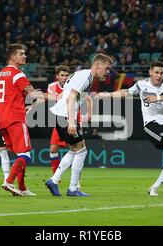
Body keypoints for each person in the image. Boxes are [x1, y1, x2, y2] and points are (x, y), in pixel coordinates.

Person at [97, 62, 163, 196]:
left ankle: (154, 187)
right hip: (152, 123)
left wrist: (158, 98)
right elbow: (126, 92)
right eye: (156, 73)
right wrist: (106, 95)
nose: (159, 76)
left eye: (161, 73)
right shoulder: (141, 84)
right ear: (150, 72)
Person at [45, 53, 113, 196]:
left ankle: (55, 180)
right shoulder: (86, 77)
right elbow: (70, 98)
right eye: (106, 68)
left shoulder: (82, 74)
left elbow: (76, 95)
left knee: (75, 150)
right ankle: (72, 188)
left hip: (61, 114)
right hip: (65, 116)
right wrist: (71, 121)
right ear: (98, 65)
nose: (108, 72)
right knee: (81, 151)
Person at [0, 43, 53, 196]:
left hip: (2, 118)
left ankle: (22, 187)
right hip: (15, 117)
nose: (25, 56)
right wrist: (56, 98)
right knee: (25, 154)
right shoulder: (17, 74)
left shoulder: (2, 73)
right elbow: (33, 94)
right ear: (13, 57)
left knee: (20, 154)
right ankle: (8, 181)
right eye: (21, 53)